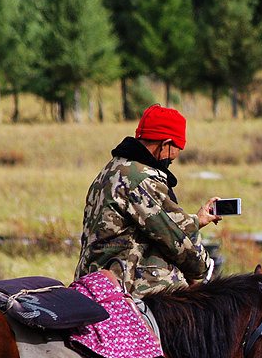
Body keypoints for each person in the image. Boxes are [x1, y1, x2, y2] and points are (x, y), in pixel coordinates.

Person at [75, 104, 222, 297]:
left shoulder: (113, 169)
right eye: (172, 156)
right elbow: (177, 240)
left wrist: (195, 221)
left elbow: (148, 225)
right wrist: (206, 267)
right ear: (165, 144)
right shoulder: (141, 179)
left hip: (97, 278)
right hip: (127, 287)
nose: (170, 163)